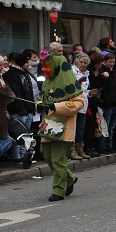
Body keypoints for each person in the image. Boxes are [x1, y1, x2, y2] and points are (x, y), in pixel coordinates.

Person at [36, 55, 84, 202]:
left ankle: (59, 190)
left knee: (58, 159)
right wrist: (39, 104)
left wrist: (56, 106)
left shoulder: (70, 83)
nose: (44, 69)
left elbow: (78, 103)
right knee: (48, 157)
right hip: (48, 126)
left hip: (64, 128)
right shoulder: (47, 83)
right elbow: (41, 98)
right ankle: (69, 178)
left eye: (46, 66)